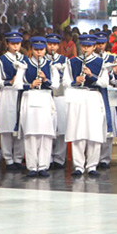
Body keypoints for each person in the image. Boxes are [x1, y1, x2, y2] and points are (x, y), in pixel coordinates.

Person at [63, 34, 111, 177]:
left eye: (89, 46)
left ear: (94, 47)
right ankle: (78, 165)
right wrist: (75, 81)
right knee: (78, 131)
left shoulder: (100, 62)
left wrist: (91, 76)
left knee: (94, 131)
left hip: (93, 95)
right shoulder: (71, 62)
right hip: (77, 95)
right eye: (83, 46)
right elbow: (65, 81)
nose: (85, 49)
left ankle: (92, 165)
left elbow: (105, 83)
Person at [19, 37, 60, 178]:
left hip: (45, 98)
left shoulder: (51, 64)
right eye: (36, 50)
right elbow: (17, 84)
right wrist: (29, 85)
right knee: (31, 134)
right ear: (31, 50)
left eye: (41, 50)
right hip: (30, 97)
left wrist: (45, 80)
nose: (39, 52)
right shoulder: (24, 63)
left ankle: (43, 165)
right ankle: (32, 166)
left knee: (45, 134)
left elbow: (56, 85)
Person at [0, 32, 28, 170]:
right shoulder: (1, 60)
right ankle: (8, 159)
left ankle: (18, 159)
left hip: (21, 94)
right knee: (7, 127)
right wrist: (9, 82)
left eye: (18, 43)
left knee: (20, 127)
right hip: (7, 94)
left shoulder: (24, 59)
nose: (15, 46)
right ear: (7, 44)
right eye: (13, 43)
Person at [94, 32, 117, 169]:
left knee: (109, 128)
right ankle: (95, 158)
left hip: (109, 94)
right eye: (98, 43)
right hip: (96, 93)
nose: (100, 46)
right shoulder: (91, 59)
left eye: (102, 43)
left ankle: (105, 158)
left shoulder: (113, 58)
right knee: (96, 126)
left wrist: (114, 73)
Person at [45, 33, 69, 170]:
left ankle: (59, 158)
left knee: (61, 127)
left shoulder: (64, 60)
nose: (52, 46)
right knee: (48, 127)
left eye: (54, 44)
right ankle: (47, 158)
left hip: (60, 94)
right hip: (47, 94)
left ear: (59, 46)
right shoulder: (41, 59)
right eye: (50, 44)